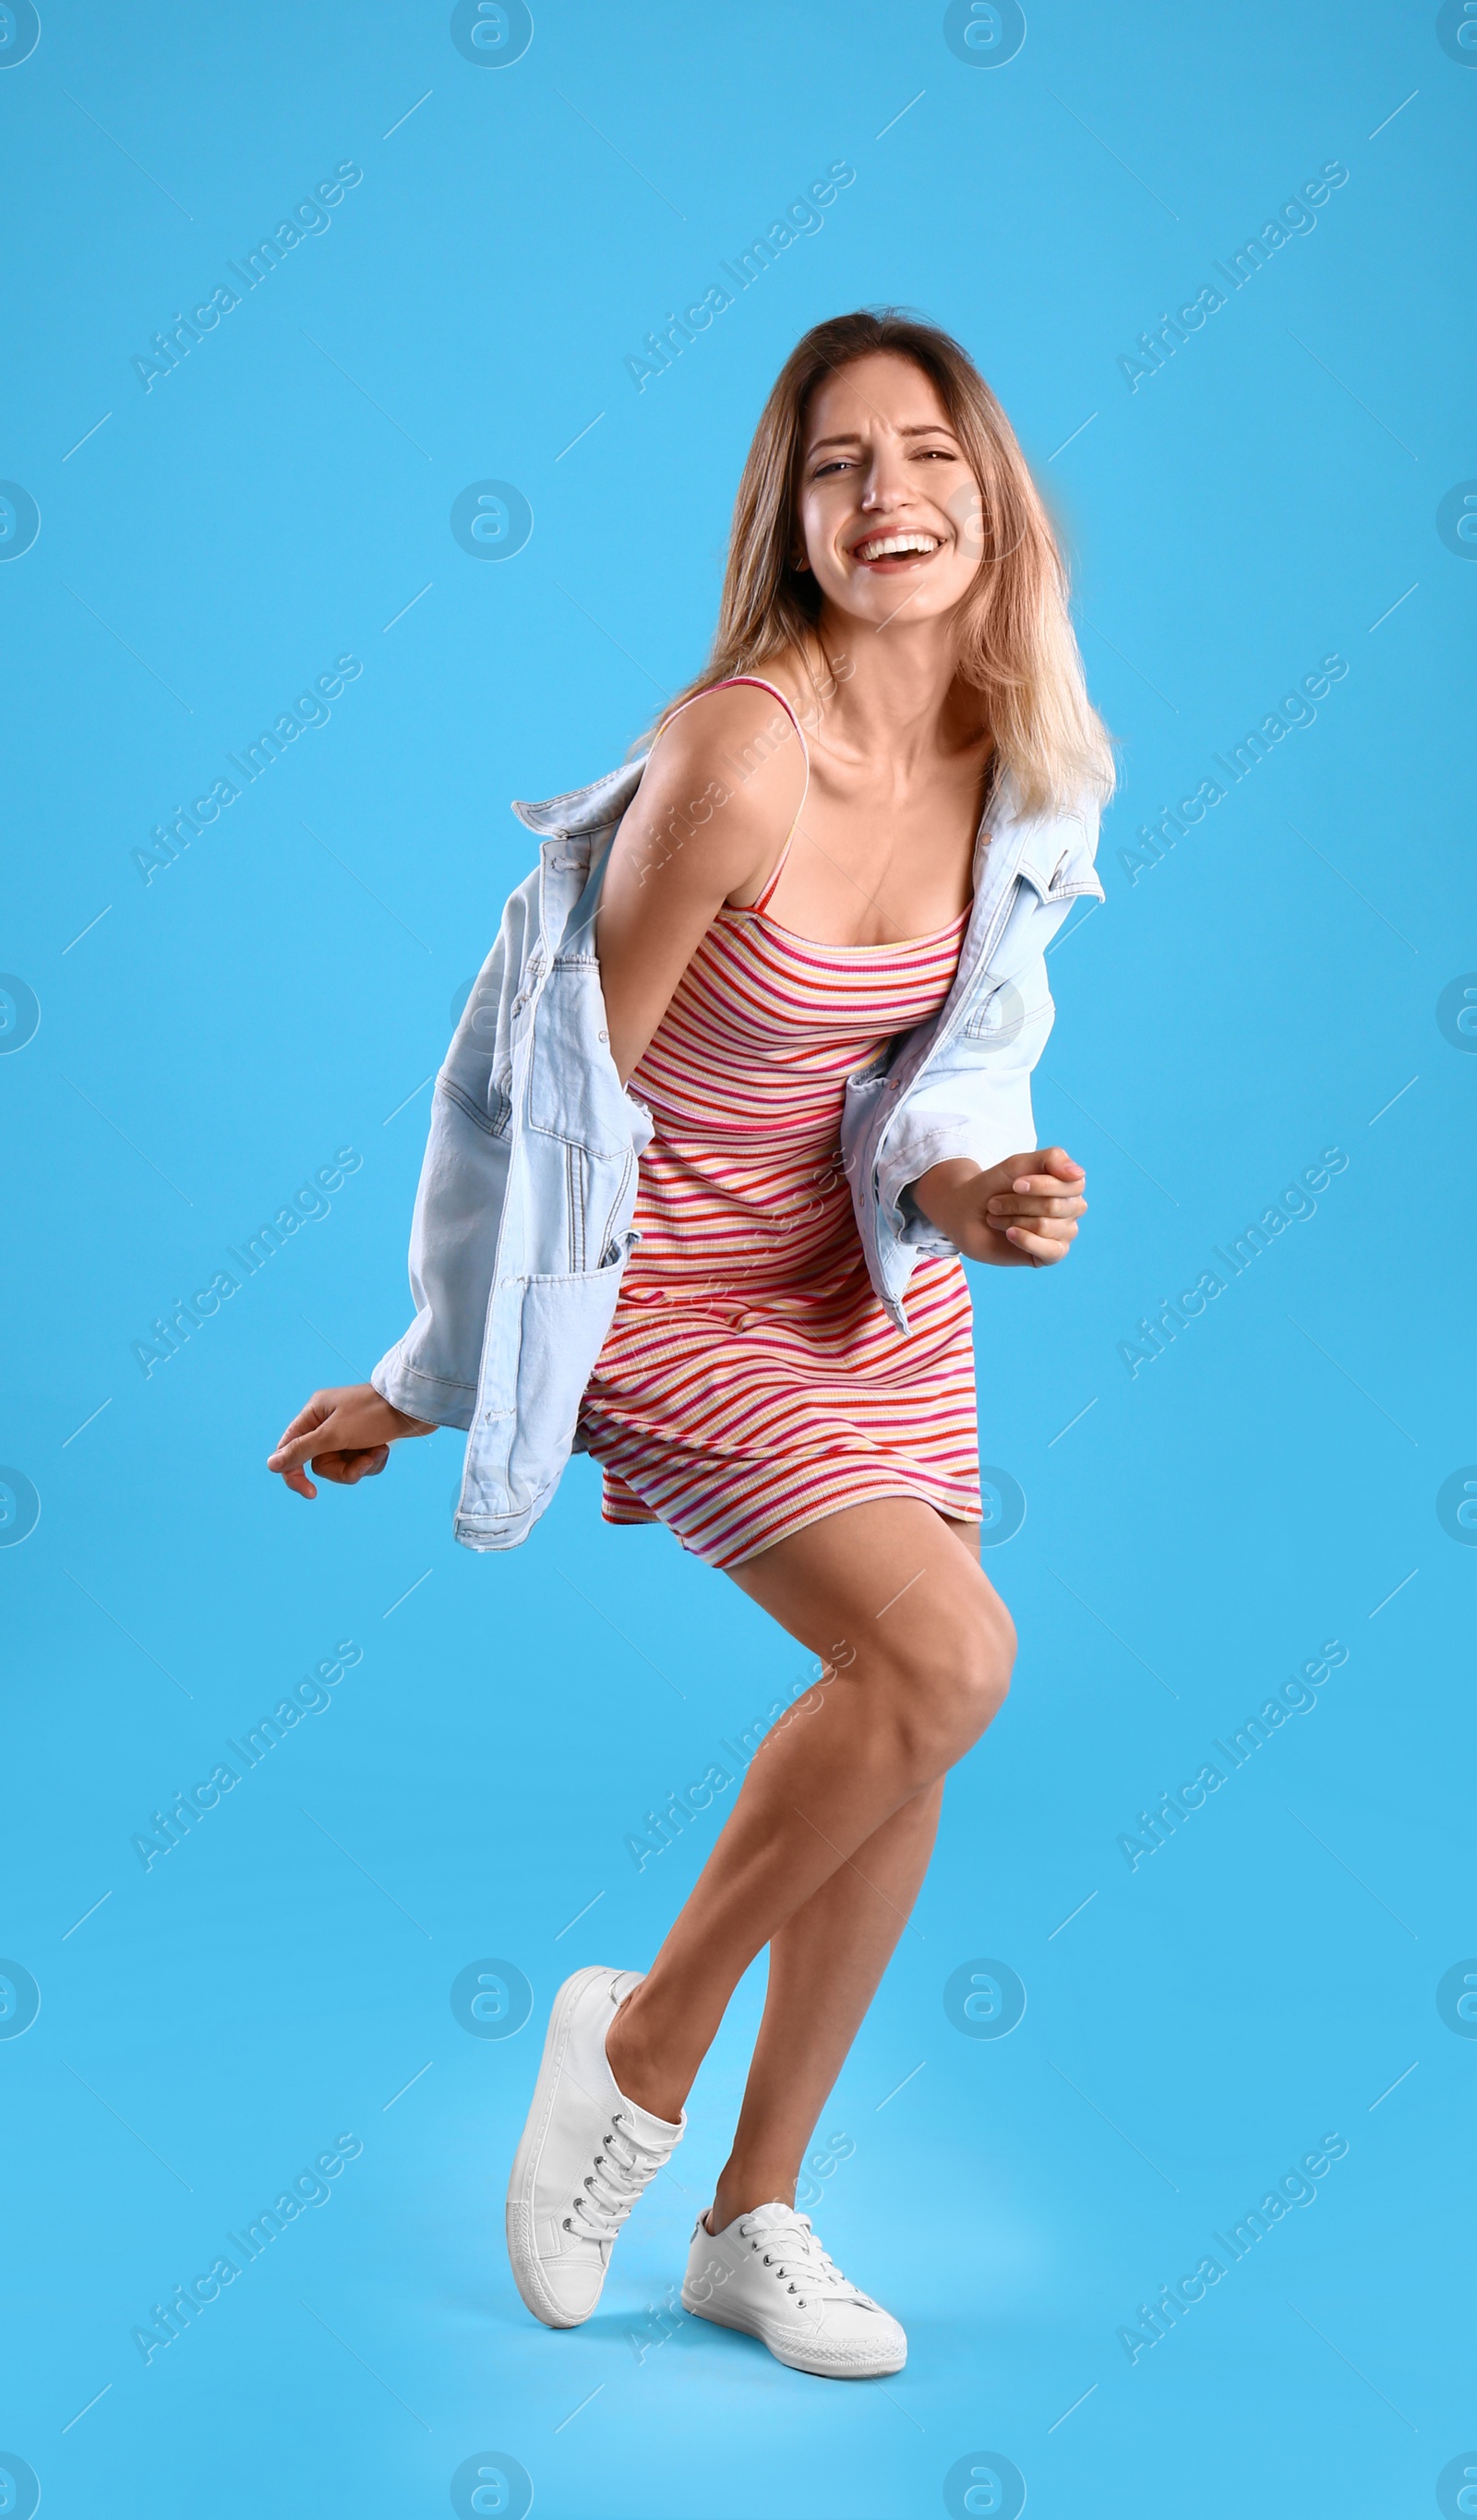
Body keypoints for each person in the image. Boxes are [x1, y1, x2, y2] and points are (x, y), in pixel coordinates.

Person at [268, 308, 1113, 2380]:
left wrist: (967, 1199)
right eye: (837, 465)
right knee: (946, 1658)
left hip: (855, 1282)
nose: (886, 495)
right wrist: (430, 1375)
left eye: (925, 453)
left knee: (904, 1711)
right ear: (788, 516)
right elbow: (553, 1107)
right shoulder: (741, 748)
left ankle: (750, 2219)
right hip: (661, 1284)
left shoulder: (1021, 753)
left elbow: (940, 1080)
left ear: (990, 496)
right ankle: (634, 2042)